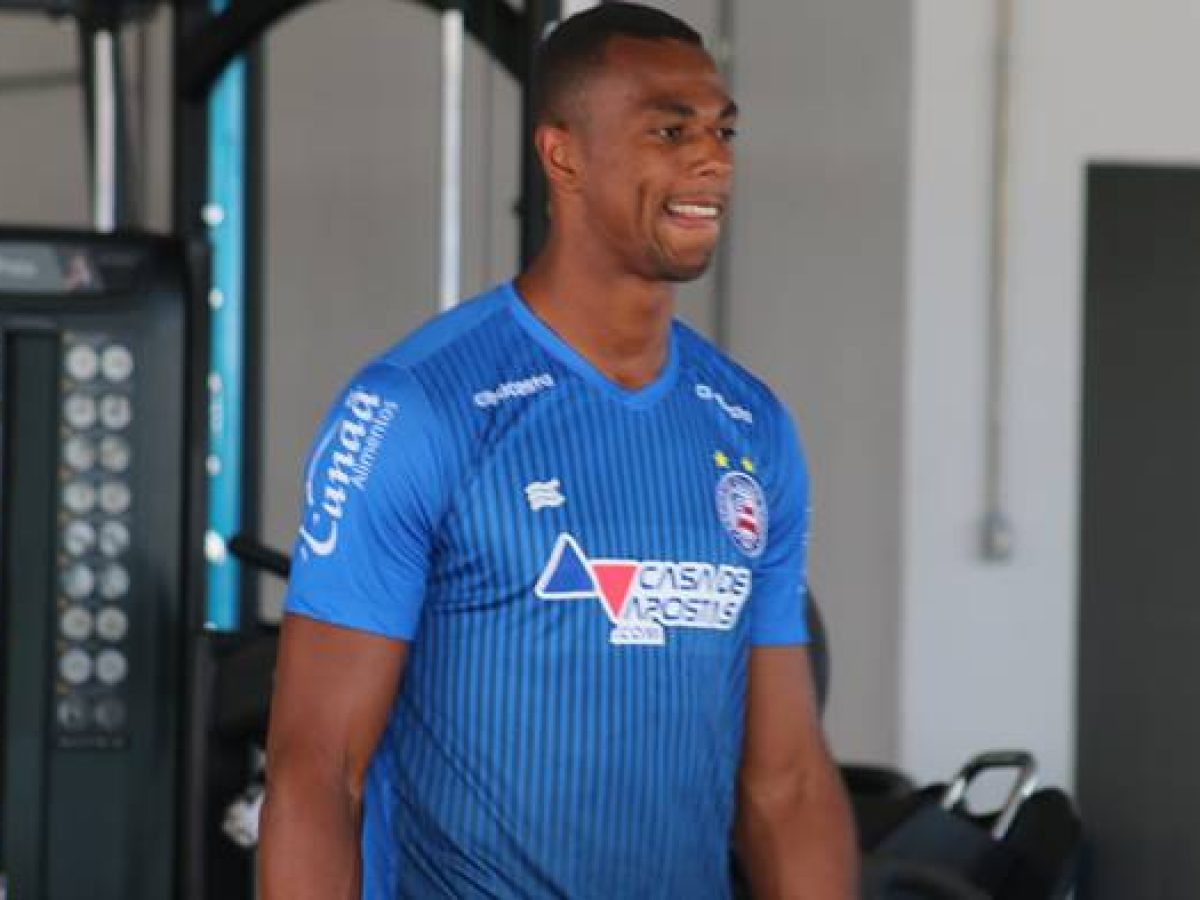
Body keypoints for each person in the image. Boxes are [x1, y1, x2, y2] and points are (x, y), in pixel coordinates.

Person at [258, 3, 857, 898]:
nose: (714, 162)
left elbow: (786, 783)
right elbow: (315, 772)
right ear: (563, 154)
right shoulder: (417, 409)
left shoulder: (749, 426)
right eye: (670, 130)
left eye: (722, 130)